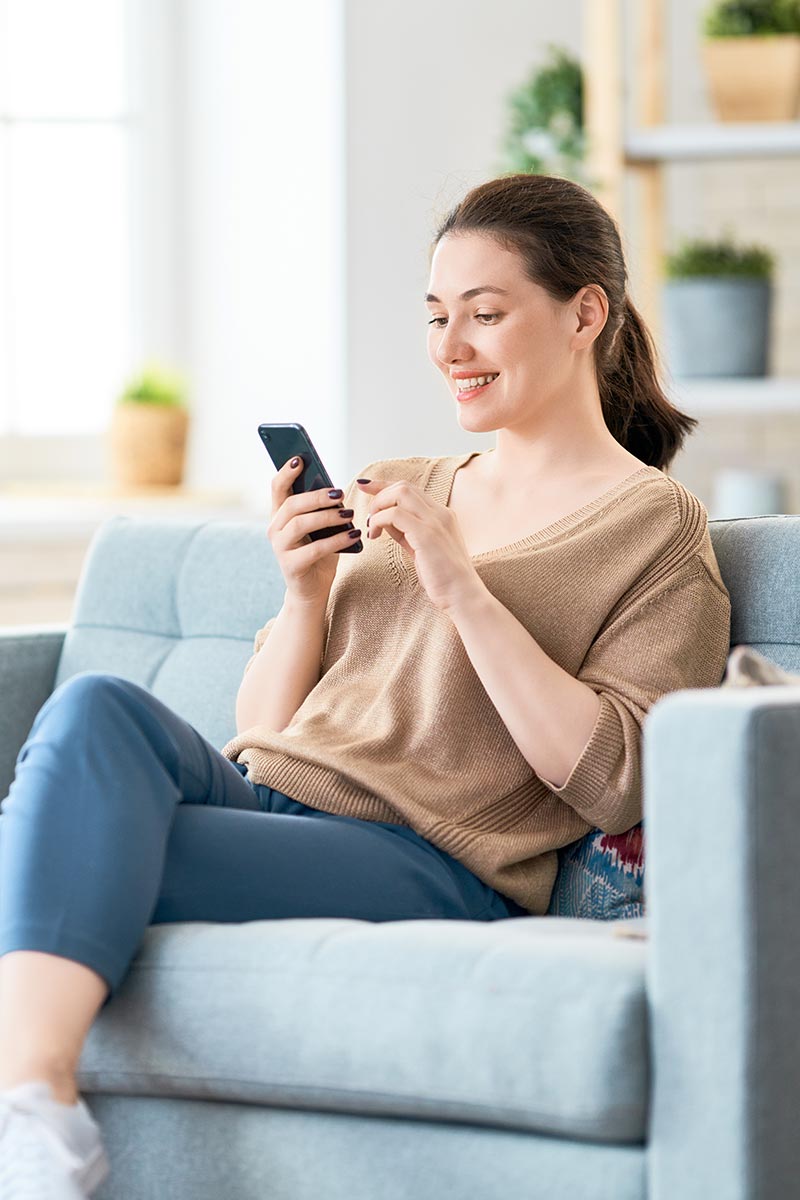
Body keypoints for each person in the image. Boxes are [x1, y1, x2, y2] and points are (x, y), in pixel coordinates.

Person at [0, 172, 731, 1197]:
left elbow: (613, 780)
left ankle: (32, 1111)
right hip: (272, 803)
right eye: (437, 317)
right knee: (89, 710)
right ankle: (33, 1106)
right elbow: (261, 733)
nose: (450, 348)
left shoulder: (655, 530)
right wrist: (303, 593)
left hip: (428, 862)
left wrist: (460, 587)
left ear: (583, 314)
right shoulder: (408, 483)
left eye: (484, 314)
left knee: (50, 834)